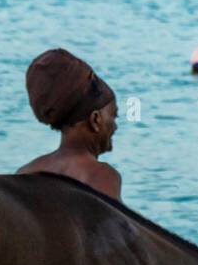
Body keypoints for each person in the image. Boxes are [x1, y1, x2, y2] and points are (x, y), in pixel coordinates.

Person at [17, 48, 122, 199]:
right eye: (114, 116)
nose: (115, 127)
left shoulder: (25, 173)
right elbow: (111, 222)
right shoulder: (102, 176)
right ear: (95, 120)